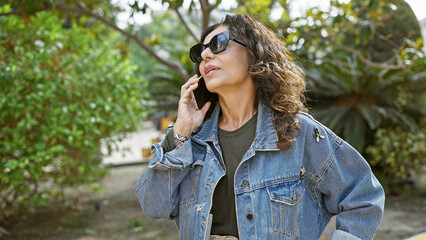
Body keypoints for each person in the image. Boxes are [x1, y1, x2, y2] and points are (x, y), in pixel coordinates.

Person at [135, 14, 385, 240]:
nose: (205, 55)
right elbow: (154, 205)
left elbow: (362, 198)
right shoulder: (192, 138)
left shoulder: (296, 131)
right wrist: (181, 130)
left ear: (254, 53)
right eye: (199, 52)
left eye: (218, 44)